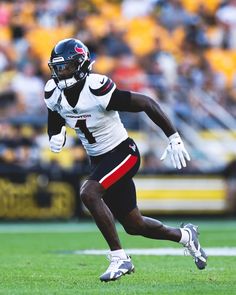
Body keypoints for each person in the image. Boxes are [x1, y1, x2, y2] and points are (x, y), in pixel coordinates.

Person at [44, 38, 207, 282]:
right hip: (98, 160)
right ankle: (184, 236)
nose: (61, 72)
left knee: (89, 193)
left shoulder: (96, 88)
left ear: (80, 65)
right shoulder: (52, 91)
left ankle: (120, 258)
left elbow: (146, 103)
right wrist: (54, 135)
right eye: (57, 67)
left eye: (66, 66)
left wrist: (173, 137)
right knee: (134, 225)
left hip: (123, 153)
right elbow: (56, 118)